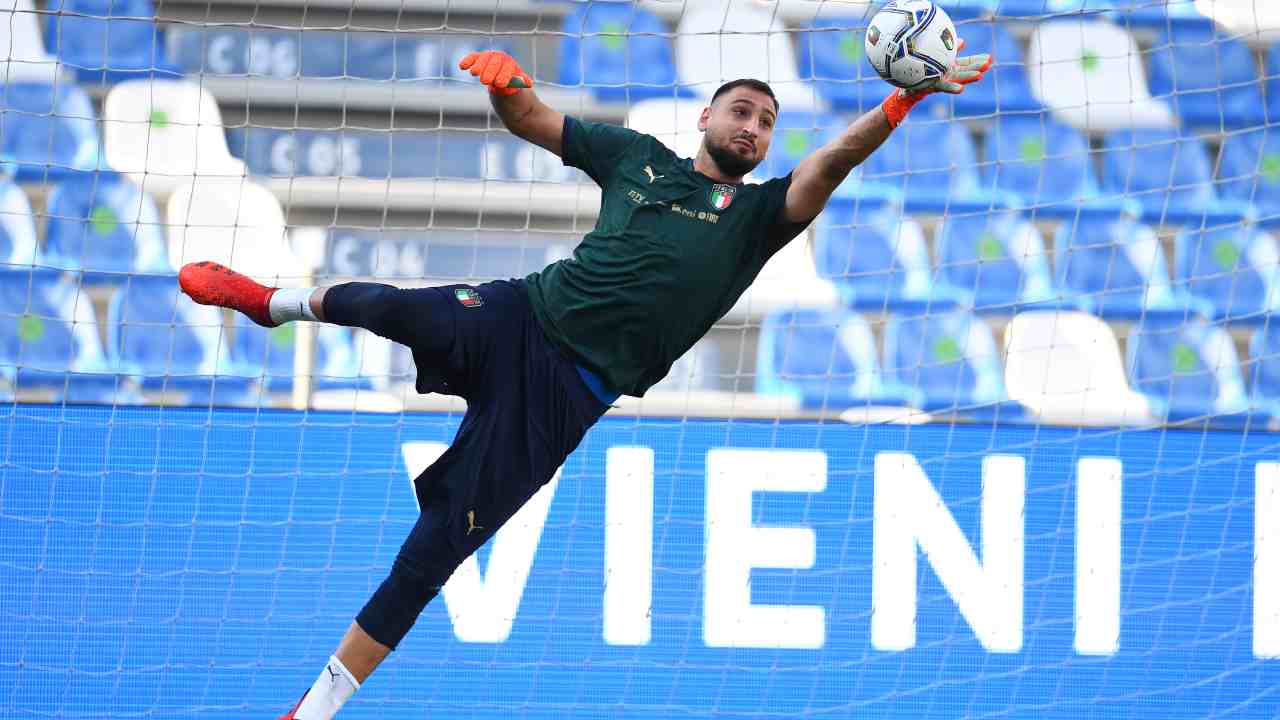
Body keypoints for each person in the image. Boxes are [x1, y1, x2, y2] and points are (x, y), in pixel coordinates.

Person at [177, 44, 990, 719]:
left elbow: (833, 160)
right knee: (392, 306)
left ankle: (310, 710)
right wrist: (509, 85)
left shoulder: (760, 219)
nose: (754, 126)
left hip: (567, 397)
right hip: (520, 316)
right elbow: (531, 119)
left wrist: (899, 105)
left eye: (768, 121)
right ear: (705, 118)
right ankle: (269, 302)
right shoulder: (636, 158)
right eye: (741, 110)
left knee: (436, 552)